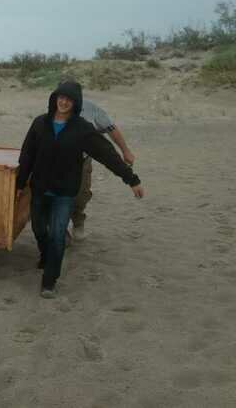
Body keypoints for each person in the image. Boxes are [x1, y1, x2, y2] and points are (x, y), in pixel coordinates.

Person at [16, 80, 144, 299]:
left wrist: (131, 179)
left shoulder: (82, 128)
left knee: (57, 234)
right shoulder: (40, 123)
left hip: (65, 191)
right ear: (55, 98)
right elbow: (27, 155)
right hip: (40, 188)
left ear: (76, 103)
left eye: (69, 99)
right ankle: (46, 256)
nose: (64, 102)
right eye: (61, 97)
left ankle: (49, 280)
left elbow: (106, 154)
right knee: (39, 229)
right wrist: (19, 184)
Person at [71, 94, 136, 242]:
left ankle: (78, 222)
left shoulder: (91, 109)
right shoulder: (54, 107)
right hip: (58, 160)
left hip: (82, 160)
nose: (65, 100)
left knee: (81, 194)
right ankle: (59, 230)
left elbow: (111, 128)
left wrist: (125, 151)